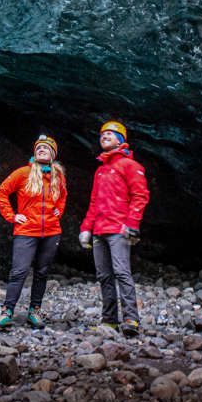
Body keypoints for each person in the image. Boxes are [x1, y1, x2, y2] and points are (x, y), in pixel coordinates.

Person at [78, 120, 149, 337]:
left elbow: (140, 196)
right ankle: (109, 321)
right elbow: (93, 203)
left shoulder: (130, 166)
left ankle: (131, 319)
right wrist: (86, 228)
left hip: (118, 228)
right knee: (104, 276)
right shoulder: (100, 171)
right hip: (100, 230)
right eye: (102, 134)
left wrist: (132, 224)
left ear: (121, 140)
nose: (105, 136)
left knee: (122, 273)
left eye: (111, 134)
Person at [0, 134, 67, 329]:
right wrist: (12, 216)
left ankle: (34, 311)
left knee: (42, 272)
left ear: (52, 154)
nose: (41, 150)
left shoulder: (58, 176)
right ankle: (7, 311)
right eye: (38, 148)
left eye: (46, 148)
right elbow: (1, 192)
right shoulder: (23, 173)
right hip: (26, 230)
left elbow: (63, 195)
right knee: (19, 271)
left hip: (51, 231)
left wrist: (60, 210)